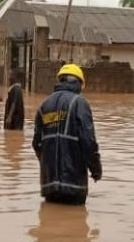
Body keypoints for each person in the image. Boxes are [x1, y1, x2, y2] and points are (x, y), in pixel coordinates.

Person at [32, 64, 102, 205]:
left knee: (49, 223)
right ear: (79, 83)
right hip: (74, 184)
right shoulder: (80, 103)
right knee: (76, 223)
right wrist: (96, 169)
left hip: (49, 185)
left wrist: (47, 165)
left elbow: (36, 144)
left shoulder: (43, 106)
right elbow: (88, 141)